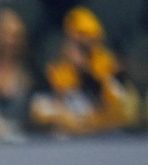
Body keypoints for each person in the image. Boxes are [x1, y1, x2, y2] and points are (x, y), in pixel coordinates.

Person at [29, 6, 138, 135]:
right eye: (77, 45)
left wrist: (105, 79)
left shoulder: (108, 73)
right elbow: (37, 111)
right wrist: (62, 112)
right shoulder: (54, 73)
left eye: (87, 47)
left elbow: (127, 115)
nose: (81, 53)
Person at [0, 6, 37, 136]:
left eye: (16, 36)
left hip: (24, 141)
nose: (10, 42)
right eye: (5, 34)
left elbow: (37, 112)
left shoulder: (32, 72)